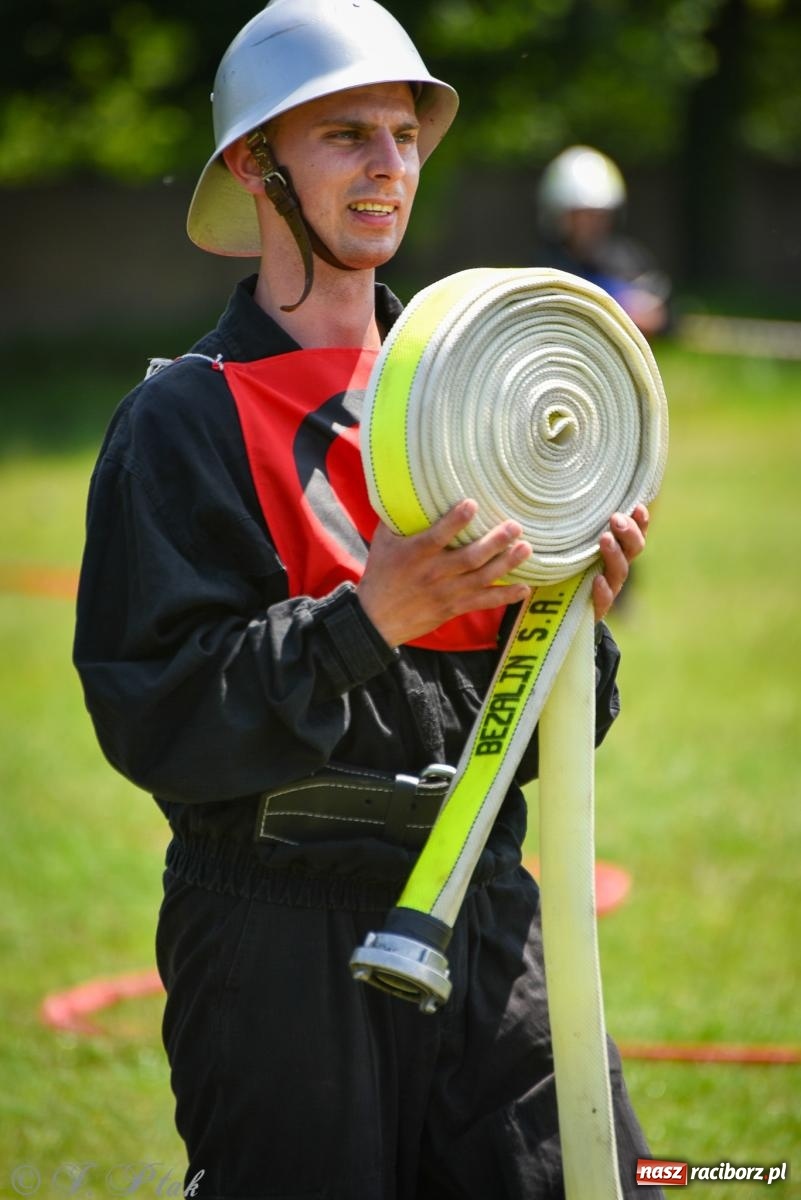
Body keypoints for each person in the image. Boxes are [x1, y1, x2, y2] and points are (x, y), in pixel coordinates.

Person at [74, 2, 659, 1197]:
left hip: (485, 915)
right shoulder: (184, 420)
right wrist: (366, 620)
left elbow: (544, 735)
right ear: (257, 165)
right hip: (279, 936)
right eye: (346, 135)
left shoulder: (485, 396)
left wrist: (573, 628)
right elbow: (158, 716)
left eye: (403, 134)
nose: (389, 165)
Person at [537, 144, 671, 338]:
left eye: (601, 215)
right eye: (584, 215)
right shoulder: (545, 265)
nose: (594, 223)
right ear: (561, 216)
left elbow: (658, 317)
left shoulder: (630, 259)